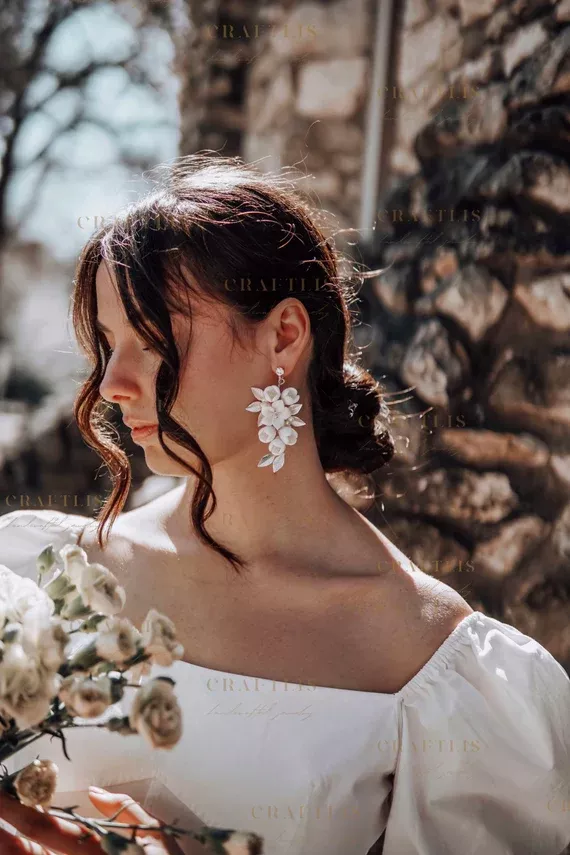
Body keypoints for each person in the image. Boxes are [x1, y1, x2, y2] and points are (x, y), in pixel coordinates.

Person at [0, 154, 569, 855]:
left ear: (285, 337)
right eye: (108, 345)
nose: (112, 383)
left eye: (150, 341)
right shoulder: (36, 574)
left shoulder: (441, 673)